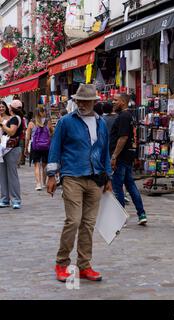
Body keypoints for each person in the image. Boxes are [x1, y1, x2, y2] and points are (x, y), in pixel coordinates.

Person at [47, 84, 113, 283]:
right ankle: (62, 263)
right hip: (72, 176)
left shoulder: (101, 123)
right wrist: (51, 175)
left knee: (88, 224)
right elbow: (55, 147)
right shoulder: (66, 122)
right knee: (73, 221)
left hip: (94, 178)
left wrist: (108, 177)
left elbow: (105, 151)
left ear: (94, 102)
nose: (82, 104)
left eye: (87, 101)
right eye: (80, 100)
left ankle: (84, 265)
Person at [110, 93, 147, 225]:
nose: (113, 102)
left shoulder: (124, 117)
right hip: (127, 156)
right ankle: (141, 214)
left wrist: (114, 156)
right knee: (130, 186)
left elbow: (123, 137)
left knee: (118, 187)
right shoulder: (128, 116)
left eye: (116, 100)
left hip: (121, 157)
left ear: (123, 102)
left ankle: (121, 218)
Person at [0, 100, 25, 209]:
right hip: (4, 149)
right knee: (3, 175)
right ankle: (5, 199)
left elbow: (11, 132)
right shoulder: (14, 118)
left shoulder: (15, 118)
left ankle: (15, 199)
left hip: (11, 149)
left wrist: (1, 123)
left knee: (12, 174)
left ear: (11, 108)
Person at [25, 106, 54, 191]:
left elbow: (27, 137)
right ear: (44, 112)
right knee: (44, 165)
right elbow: (52, 132)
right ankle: (44, 183)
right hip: (46, 146)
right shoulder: (47, 122)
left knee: (36, 165)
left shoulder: (31, 123)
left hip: (35, 147)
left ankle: (38, 184)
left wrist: (26, 148)